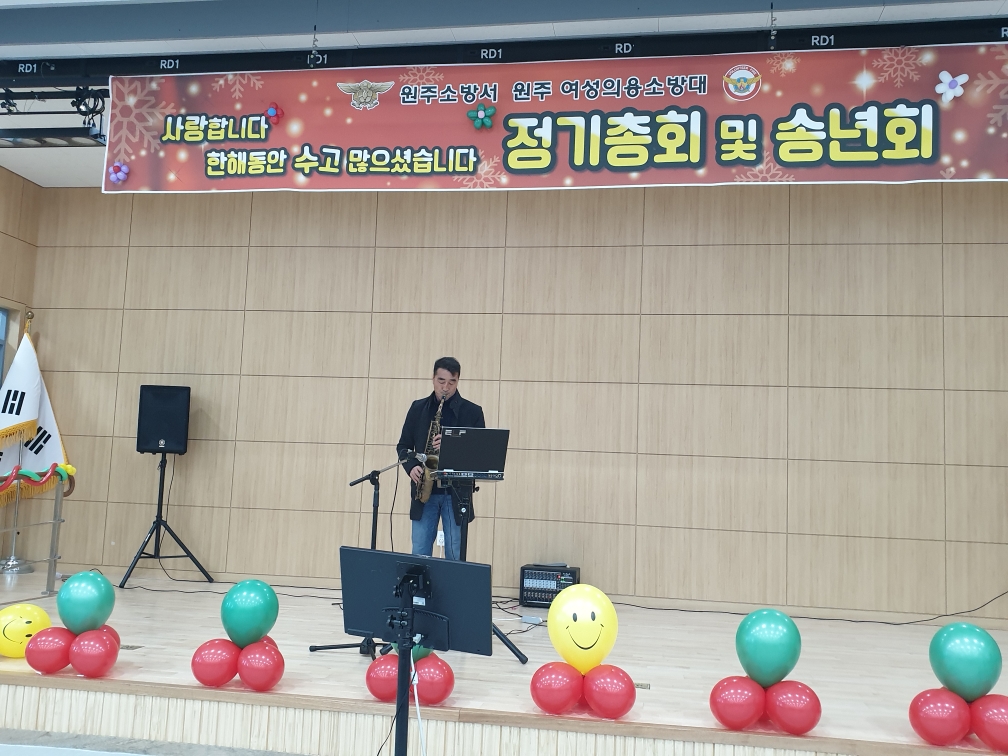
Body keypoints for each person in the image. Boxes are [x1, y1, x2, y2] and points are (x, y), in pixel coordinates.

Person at [397, 357, 485, 559]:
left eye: (452, 382)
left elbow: (480, 454)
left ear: (458, 380)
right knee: (419, 553)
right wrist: (411, 467)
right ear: (433, 378)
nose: (446, 387)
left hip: (456, 493)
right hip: (424, 490)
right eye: (441, 381)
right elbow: (403, 446)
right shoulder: (418, 408)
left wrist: (451, 446)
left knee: (454, 555)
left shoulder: (472, 412)